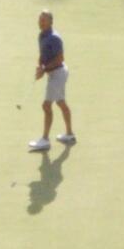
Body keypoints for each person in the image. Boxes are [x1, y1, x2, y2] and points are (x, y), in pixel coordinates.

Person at [30, 10, 75, 151]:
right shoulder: (41, 35)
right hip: (54, 73)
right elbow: (42, 55)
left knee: (46, 105)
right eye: (40, 20)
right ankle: (69, 134)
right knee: (61, 102)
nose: (41, 22)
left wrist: (44, 70)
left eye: (44, 20)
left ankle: (45, 140)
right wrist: (40, 67)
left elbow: (60, 59)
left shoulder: (54, 38)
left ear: (51, 22)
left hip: (58, 74)